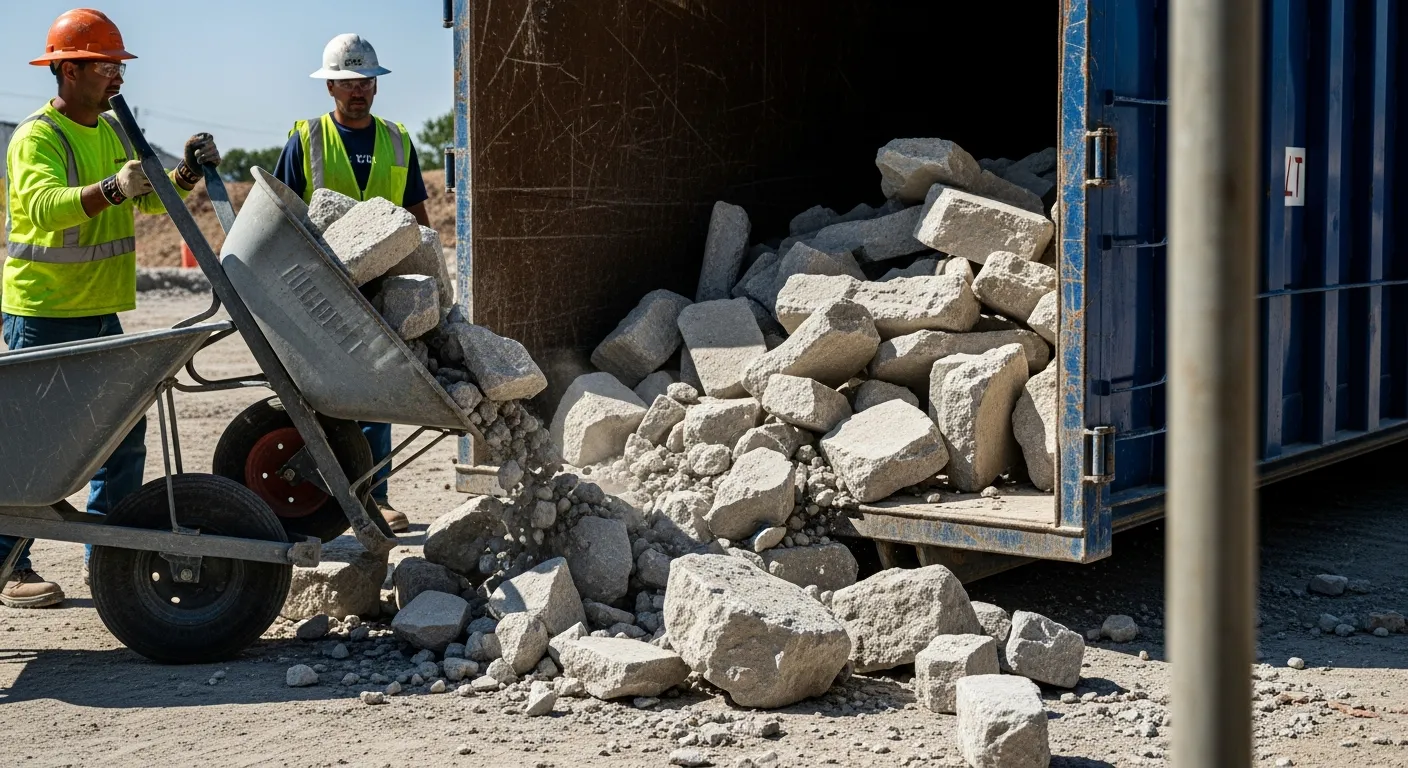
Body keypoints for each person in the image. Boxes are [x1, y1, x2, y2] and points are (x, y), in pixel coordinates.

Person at [1, 9, 219, 608]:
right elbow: (46, 208)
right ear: (67, 70)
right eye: (105, 65)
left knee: (119, 439)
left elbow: (149, 202)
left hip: (100, 311)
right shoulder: (36, 137)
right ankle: (9, 566)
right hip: (44, 312)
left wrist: (185, 173)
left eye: (118, 65)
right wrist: (113, 188)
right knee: (35, 448)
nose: (116, 76)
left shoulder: (113, 131)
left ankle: (108, 559)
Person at [273, 33, 431, 533]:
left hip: (379, 285)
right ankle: (317, 496)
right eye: (347, 81)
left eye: (365, 80)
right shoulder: (307, 139)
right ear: (331, 87)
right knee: (318, 395)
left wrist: (427, 279)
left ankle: (373, 497)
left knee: (374, 395)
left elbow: (416, 217)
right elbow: (278, 209)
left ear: (376, 85)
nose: (357, 90)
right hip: (315, 286)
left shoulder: (398, 140)